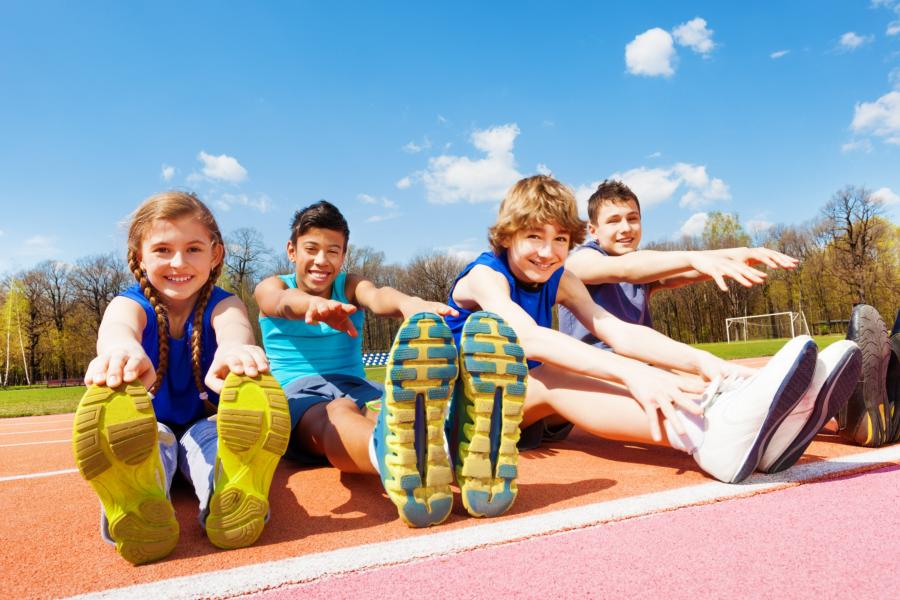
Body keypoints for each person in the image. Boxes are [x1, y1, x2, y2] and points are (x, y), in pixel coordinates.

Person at [443, 175, 821, 517]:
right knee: (551, 375)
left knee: (617, 370)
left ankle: (759, 417)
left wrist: (710, 364)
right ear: (507, 236)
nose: (548, 252)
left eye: (559, 239)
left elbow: (620, 332)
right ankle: (703, 436)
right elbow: (529, 338)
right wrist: (632, 371)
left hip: (513, 415)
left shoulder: (558, 278)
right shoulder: (485, 276)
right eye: (534, 237)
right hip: (459, 415)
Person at [73, 191, 288, 565]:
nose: (178, 262)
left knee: (211, 441)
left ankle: (227, 497)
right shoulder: (128, 303)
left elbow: (235, 327)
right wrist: (121, 350)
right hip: (146, 424)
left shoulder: (225, 304)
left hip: (203, 421)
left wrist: (235, 350)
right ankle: (138, 505)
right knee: (152, 442)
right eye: (162, 250)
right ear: (138, 255)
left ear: (215, 254)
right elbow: (118, 327)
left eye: (193, 249)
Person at [254, 200, 461, 528]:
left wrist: (410, 304)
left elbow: (378, 296)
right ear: (292, 251)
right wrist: (313, 304)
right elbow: (280, 303)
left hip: (356, 386)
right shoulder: (273, 285)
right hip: (298, 395)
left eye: (333, 251)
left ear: (343, 256)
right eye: (312, 248)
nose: (322, 260)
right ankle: (396, 460)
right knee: (336, 412)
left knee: (385, 414)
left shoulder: (348, 285)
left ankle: (446, 451)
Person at [559, 179, 799, 349]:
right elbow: (626, 269)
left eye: (633, 219)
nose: (626, 228)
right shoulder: (580, 261)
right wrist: (691, 257)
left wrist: (747, 253)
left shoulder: (646, 270)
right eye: (613, 221)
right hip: (592, 373)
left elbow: (691, 270)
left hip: (638, 364)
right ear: (593, 230)